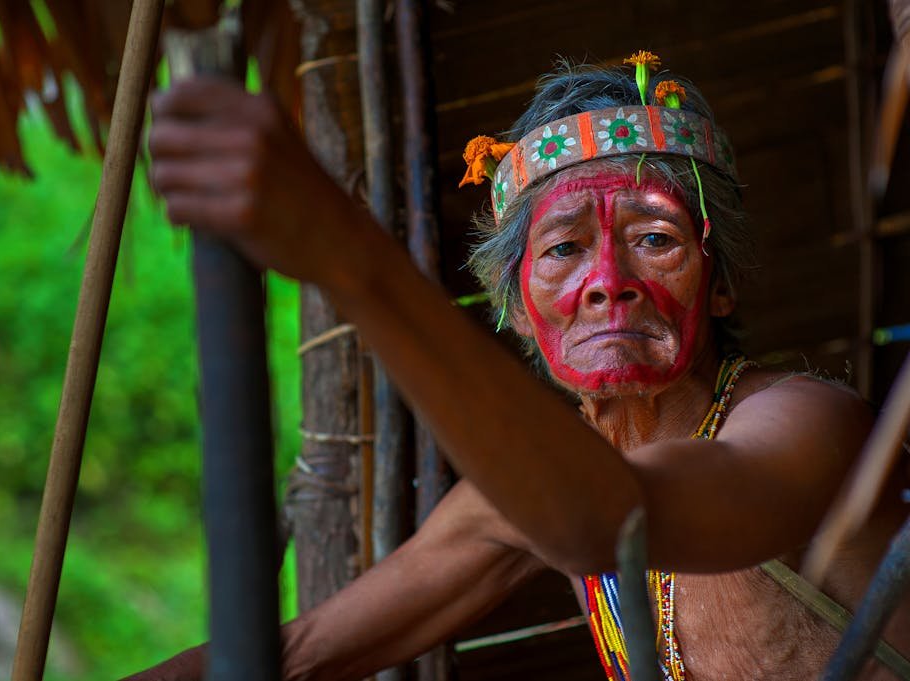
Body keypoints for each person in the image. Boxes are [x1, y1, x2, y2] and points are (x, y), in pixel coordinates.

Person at [133, 53, 910, 680]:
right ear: (514, 305)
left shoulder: (809, 424)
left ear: (722, 283)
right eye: (565, 249)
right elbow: (298, 656)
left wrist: (348, 258)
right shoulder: (531, 495)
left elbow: (612, 520)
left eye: (656, 239)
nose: (609, 279)